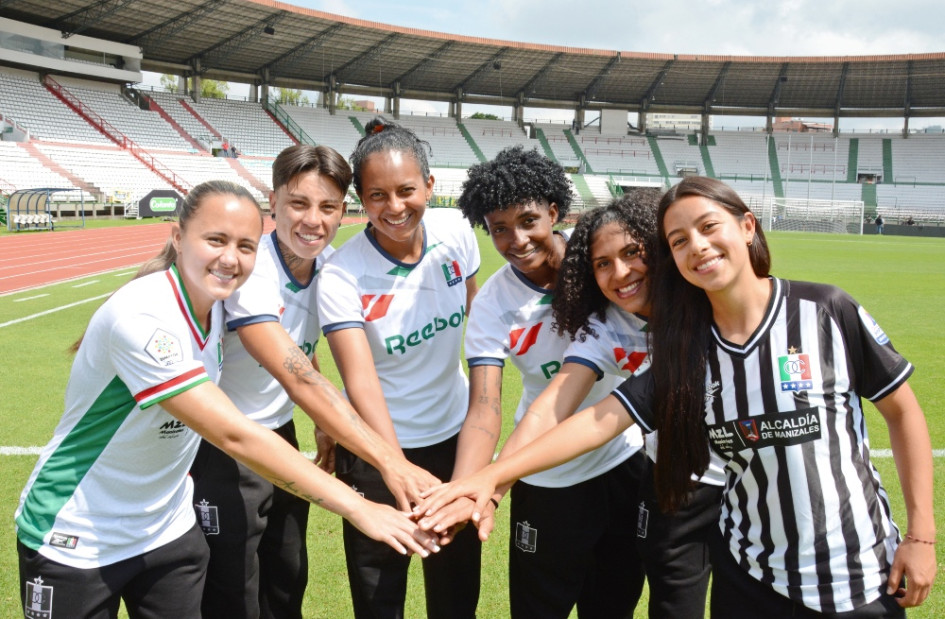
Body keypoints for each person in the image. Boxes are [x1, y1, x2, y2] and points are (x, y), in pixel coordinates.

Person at [419, 176, 936, 618]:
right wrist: (489, 480)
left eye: (708, 228)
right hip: (731, 544)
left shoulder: (819, 310)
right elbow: (588, 415)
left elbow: (902, 409)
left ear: (747, 226)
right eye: (680, 240)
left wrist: (921, 536)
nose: (620, 273)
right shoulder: (674, 349)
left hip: (852, 565)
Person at [15, 180, 439, 619]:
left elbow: (301, 369)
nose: (230, 258)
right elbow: (235, 435)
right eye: (215, 240)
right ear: (178, 237)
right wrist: (358, 505)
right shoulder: (143, 318)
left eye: (245, 245)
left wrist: (385, 460)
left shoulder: (221, 303)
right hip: (78, 532)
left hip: (167, 529)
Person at [190, 148, 439, 619]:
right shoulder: (252, 267)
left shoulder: (328, 268)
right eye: (299, 204)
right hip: (224, 445)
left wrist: (322, 427)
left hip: (279, 437)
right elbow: (295, 374)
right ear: (274, 202)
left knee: (286, 579)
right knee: (234, 592)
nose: (313, 220)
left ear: (343, 211)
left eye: (328, 207)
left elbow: (304, 351)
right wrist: (390, 461)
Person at [445, 146, 648, 618]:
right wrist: (474, 487)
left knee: (615, 601)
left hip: (623, 458)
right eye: (499, 228)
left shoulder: (606, 260)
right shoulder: (494, 304)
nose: (517, 240)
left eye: (528, 220)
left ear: (554, 211)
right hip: (546, 474)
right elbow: (485, 408)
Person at [316, 118, 482, 619]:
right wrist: (396, 467)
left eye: (407, 190)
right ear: (360, 201)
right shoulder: (342, 274)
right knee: (379, 599)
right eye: (377, 195)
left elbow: (477, 333)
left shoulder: (456, 234)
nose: (394, 207)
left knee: (455, 594)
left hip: (453, 443)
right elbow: (359, 379)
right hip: (376, 453)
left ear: (430, 185)